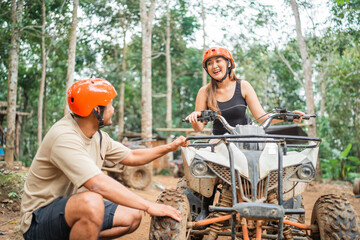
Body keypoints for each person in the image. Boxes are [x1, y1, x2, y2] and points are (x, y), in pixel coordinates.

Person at [20, 78, 189, 240]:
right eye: (110, 105)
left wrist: (169, 147)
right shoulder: (64, 137)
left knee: (133, 215)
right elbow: (97, 184)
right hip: (39, 218)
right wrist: (149, 205)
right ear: (97, 110)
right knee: (92, 201)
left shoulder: (98, 136)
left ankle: (82, 235)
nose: (113, 109)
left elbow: (132, 156)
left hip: (71, 210)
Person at [185, 46, 303, 134]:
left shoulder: (243, 86)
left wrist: (289, 116)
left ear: (229, 63)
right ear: (207, 69)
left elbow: (262, 117)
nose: (214, 66)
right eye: (209, 63)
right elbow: (199, 128)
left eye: (218, 61)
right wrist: (195, 117)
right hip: (219, 142)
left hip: (246, 138)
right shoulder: (204, 92)